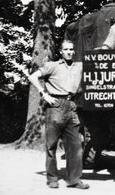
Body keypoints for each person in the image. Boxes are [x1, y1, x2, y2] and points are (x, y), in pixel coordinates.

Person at [28, 39, 89, 190]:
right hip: (55, 106)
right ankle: (52, 178)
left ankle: (74, 179)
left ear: (74, 51)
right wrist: (44, 94)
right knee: (52, 145)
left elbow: (97, 62)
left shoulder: (79, 66)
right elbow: (32, 77)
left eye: (71, 49)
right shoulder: (52, 66)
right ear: (61, 52)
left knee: (75, 145)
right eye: (66, 49)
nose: (69, 52)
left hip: (72, 105)